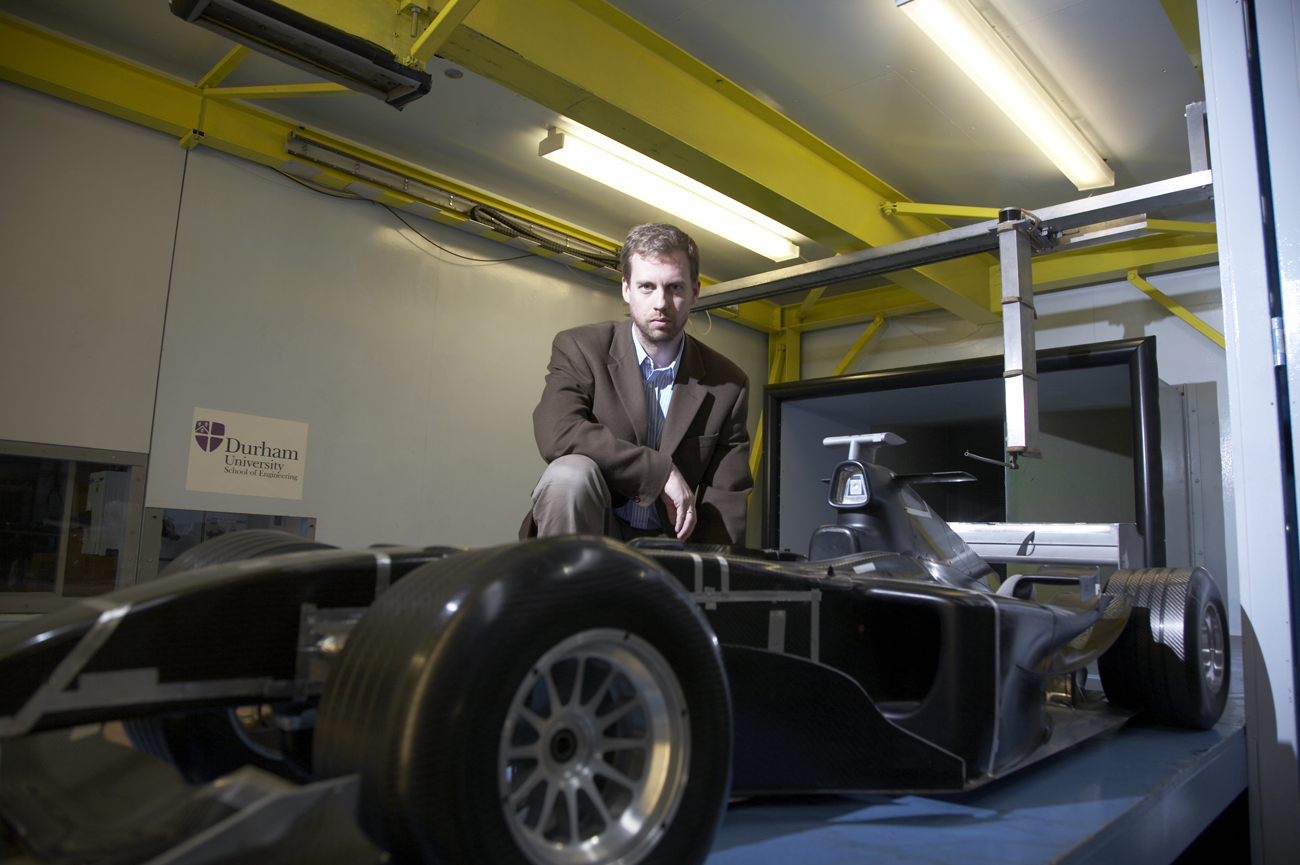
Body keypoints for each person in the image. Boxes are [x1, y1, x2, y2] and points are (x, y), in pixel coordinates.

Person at [522, 223, 752, 545]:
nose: (661, 302)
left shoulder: (728, 384)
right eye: (646, 287)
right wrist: (659, 473)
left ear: (695, 292)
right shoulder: (580, 348)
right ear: (626, 289)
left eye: (675, 287)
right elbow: (556, 432)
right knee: (569, 474)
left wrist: (706, 581)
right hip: (593, 531)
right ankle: (567, 592)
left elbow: (725, 500)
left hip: (670, 547)